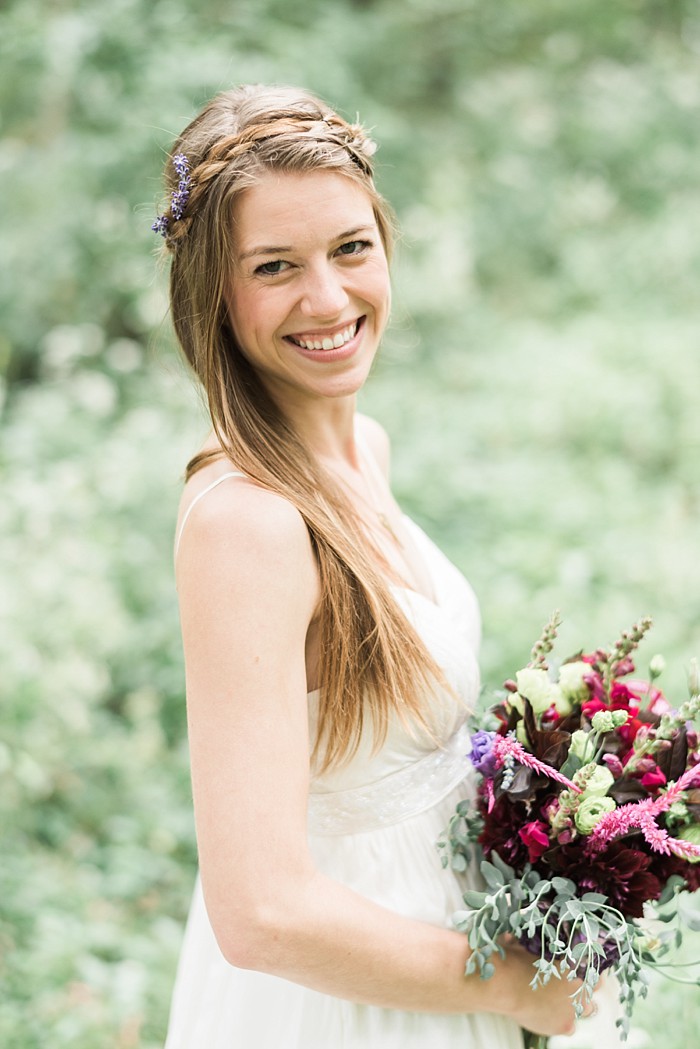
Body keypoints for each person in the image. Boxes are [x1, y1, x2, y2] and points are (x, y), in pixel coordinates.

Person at [153, 84, 594, 1049]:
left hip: (447, 929)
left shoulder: (366, 450)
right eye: (275, 266)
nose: (329, 298)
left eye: (351, 247)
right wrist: (511, 986)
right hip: (350, 1000)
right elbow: (259, 910)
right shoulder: (250, 525)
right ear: (214, 298)